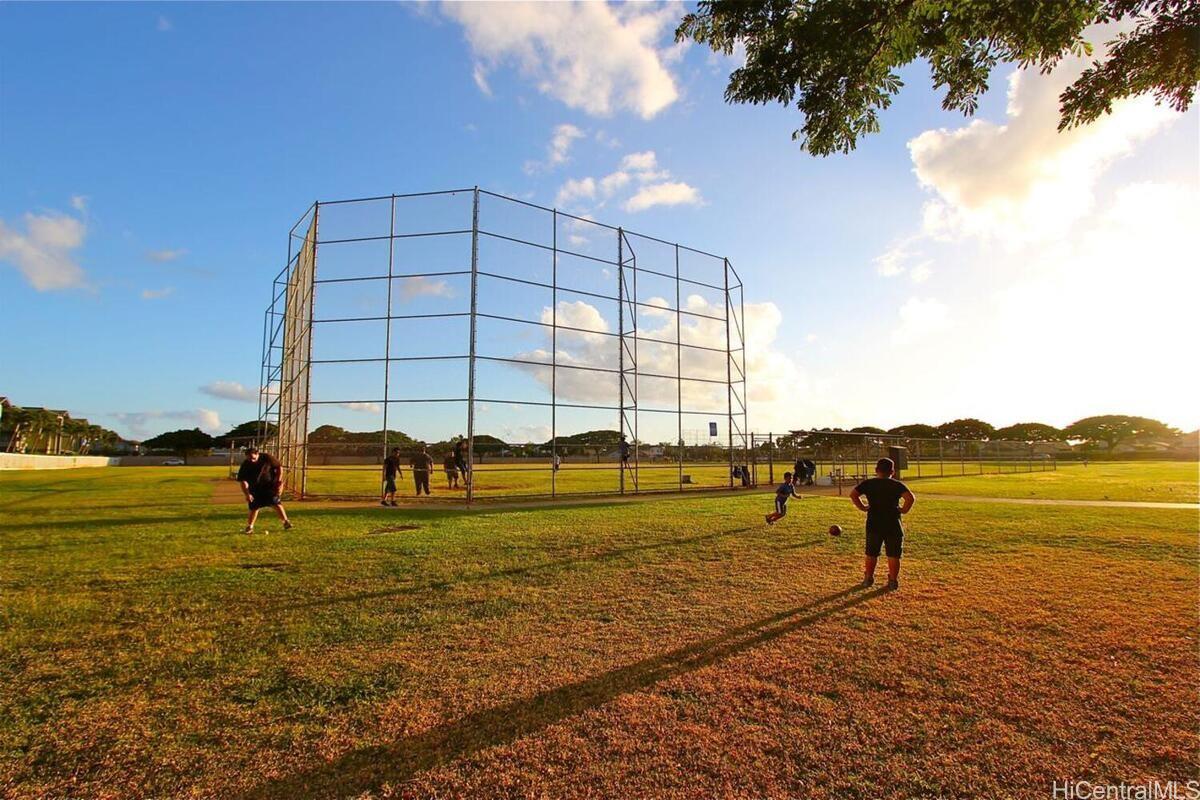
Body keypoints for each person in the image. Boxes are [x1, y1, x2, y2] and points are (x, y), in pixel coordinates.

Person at [850, 457, 915, 591]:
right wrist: (903, 510)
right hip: (893, 523)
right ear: (892, 471)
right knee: (893, 554)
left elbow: (853, 494)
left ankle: (868, 578)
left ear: (876, 470)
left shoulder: (868, 484)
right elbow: (910, 498)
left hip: (874, 523)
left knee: (871, 553)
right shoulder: (897, 485)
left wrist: (863, 507)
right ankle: (892, 580)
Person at [236, 446, 291, 534]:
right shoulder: (245, 464)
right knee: (254, 507)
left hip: (270, 485)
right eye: (249, 459)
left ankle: (286, 522)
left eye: (253, 458)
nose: (251, 461)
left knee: (275, 503)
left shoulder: (267, 457)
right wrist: (247, 494)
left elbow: (279, 467)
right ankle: (250, 527)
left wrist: (279, 481)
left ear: (257, 454)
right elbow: (243, 481)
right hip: (254, 488)